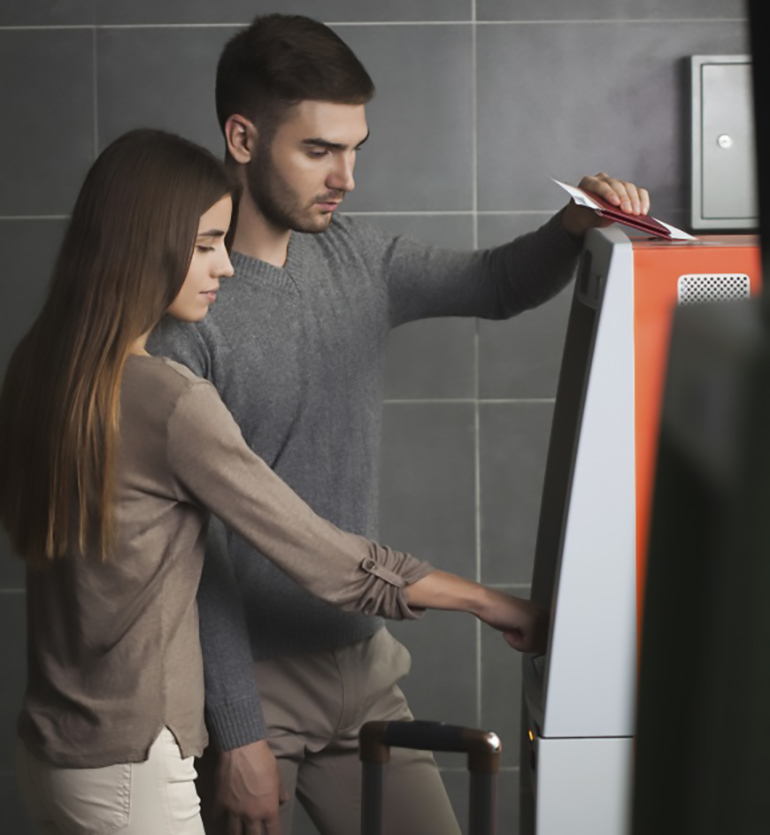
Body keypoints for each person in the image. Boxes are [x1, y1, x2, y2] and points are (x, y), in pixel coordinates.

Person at [148, 13, 652, 835]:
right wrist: (237, 729)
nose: (345, 175)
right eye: (319, 150)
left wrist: (574, 226)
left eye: (356, 149)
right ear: (242, 137)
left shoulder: (360, 263)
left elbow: (496, 284)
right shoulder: (186, 313)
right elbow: (190, 542)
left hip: (363, 661)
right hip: (246, 682)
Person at [0, 129, 547, 835]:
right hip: (135, 764)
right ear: (141, 243)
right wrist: (487, 602)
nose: (225, 267)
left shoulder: (39, 367)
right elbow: (327, 560)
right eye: (202, 246)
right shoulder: (169, 400)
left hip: (54, 759)